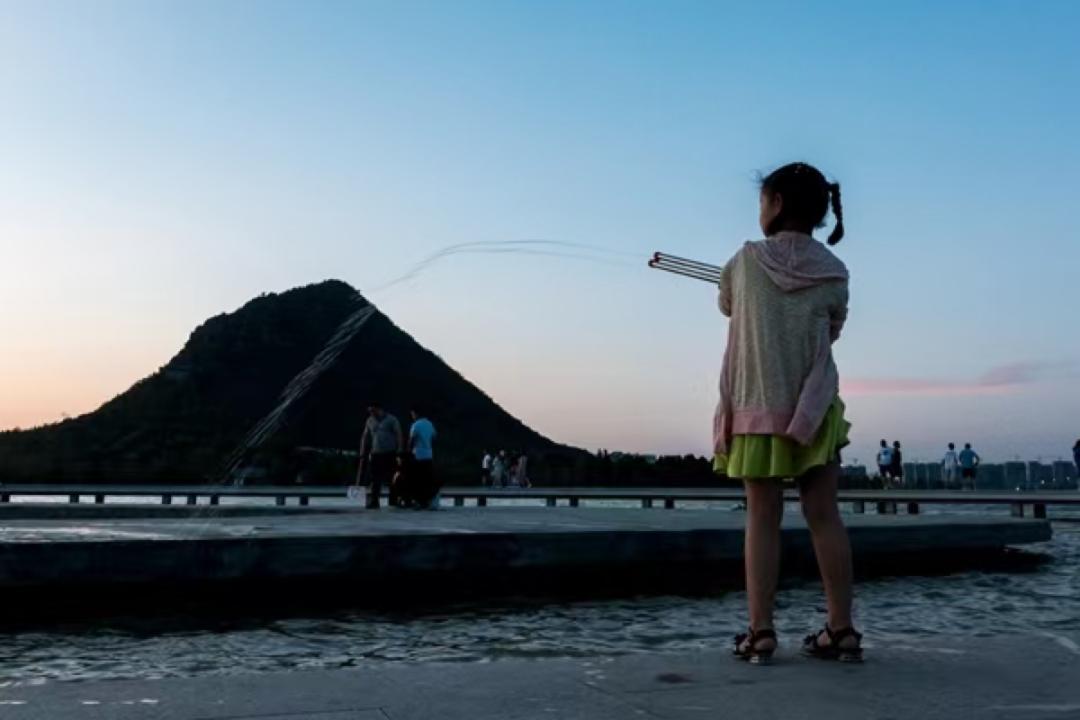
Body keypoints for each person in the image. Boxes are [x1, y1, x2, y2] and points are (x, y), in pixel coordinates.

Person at [713, 162, 861, 664]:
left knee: (762, 517)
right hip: (816, 407)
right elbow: (834, 327)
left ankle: (760, 633)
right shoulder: (836, 272)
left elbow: (727, 305)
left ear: (774, 204)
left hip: (759, 407)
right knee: (824, 515)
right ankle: (841, 630)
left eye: (762, 201)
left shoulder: (743, 260)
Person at [356, 403, 403, 509]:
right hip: (376, 453)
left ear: (379, 409)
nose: (371, 413)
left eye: (373, 410)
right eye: (370, 411)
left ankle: (393, 500)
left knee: (392, 478)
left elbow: (398, 433)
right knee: (375, 479)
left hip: (390, 452)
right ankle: (374, 501)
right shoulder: (370, 420)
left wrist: (400, 449)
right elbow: (365, 435)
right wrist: (362, 451)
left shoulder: (391, 419)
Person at [408, 407, 439, 509]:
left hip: (418, 455)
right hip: (429, 455)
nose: (412, 416)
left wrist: (408, 451)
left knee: (417, 479)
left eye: (412, 414)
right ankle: (426, 501)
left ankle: (418, 501)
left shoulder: (416, 425)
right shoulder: (430, 424)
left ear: (416, 414)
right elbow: (434, 437)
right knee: (427, 479)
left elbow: (411, 439)